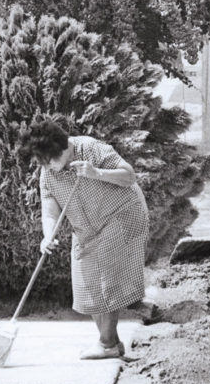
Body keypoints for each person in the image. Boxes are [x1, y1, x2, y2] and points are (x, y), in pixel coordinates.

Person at [23, 119, 149, 360]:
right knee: (86, 282)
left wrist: (96, 173)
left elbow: (129, 176)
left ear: (62, 148)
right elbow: (50, 210)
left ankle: (107, 343)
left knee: (108, 275)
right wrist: (47, 237)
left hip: (121, 214)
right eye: (42, 162)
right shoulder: (48, 174)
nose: (46, 166)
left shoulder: (91, 148)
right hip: (87, 229)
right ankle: (113, 342)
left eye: (49, 159)